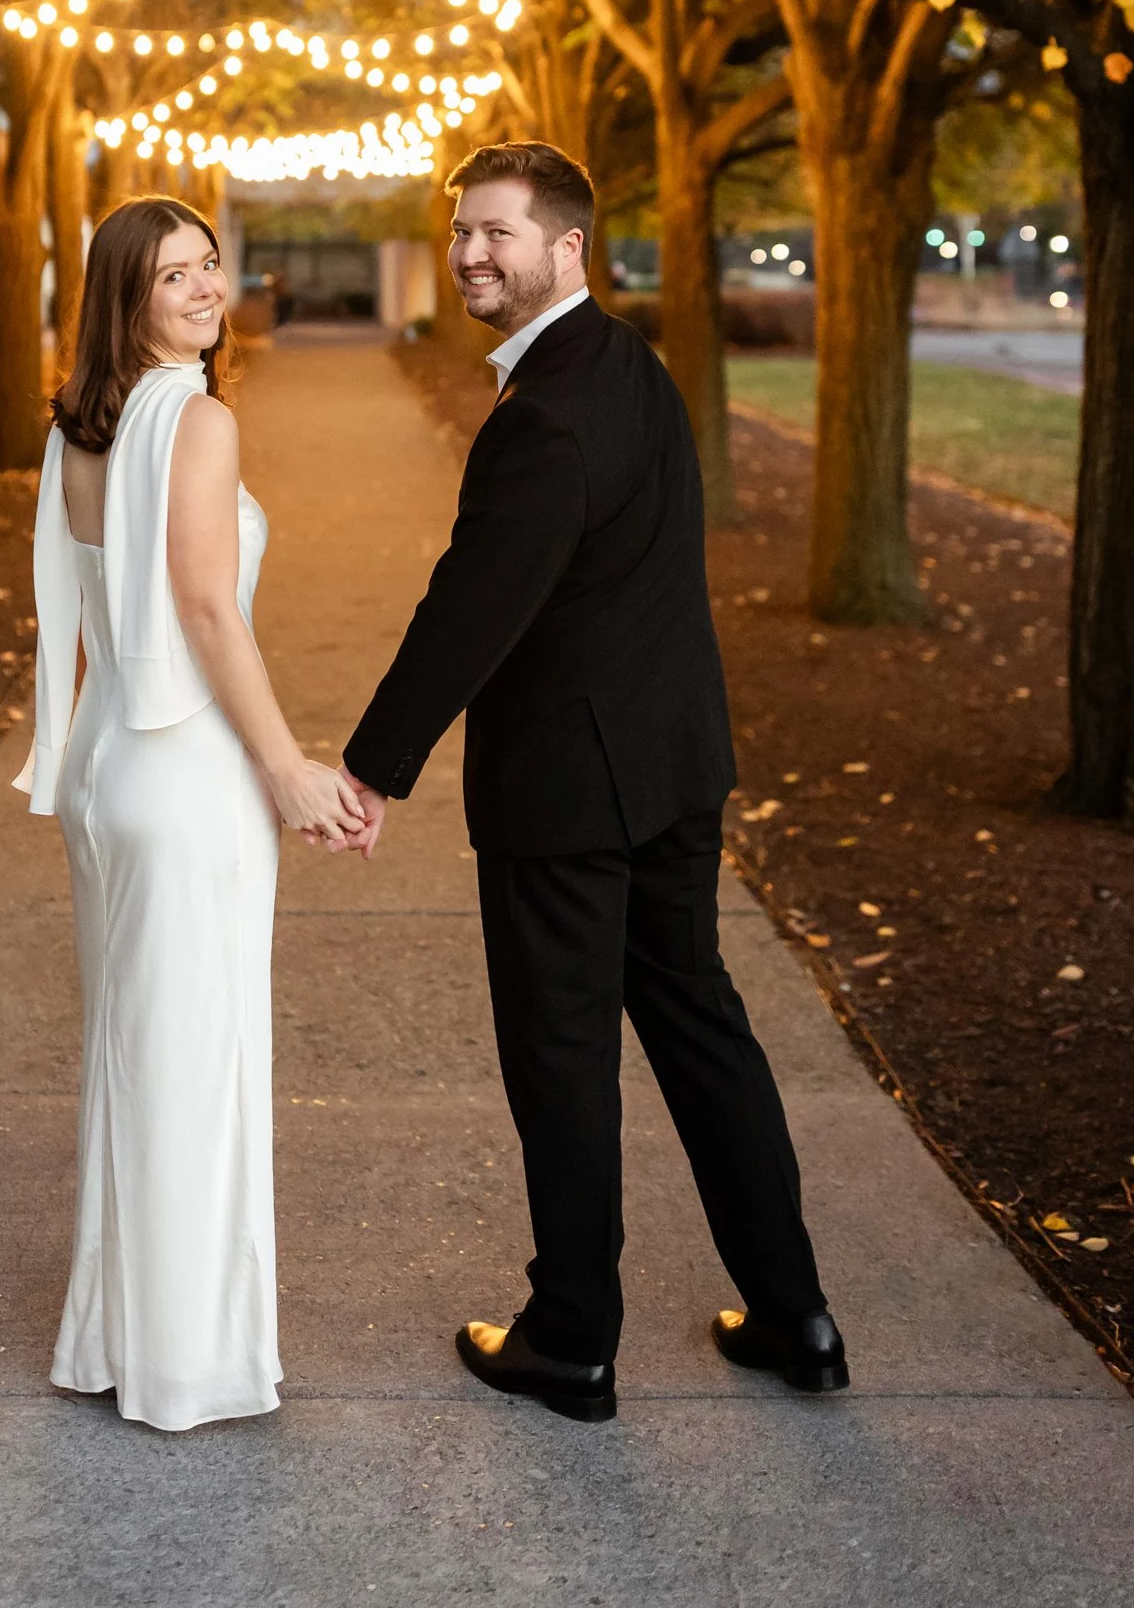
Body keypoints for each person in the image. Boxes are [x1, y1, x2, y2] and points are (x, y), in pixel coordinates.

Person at [331, 141, 845, 1424]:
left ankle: (568, 1340)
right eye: (461, 231)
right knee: (701, 1031)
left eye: (496, 233)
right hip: (671, 765)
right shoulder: (629, 365)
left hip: (568, 792)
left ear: (565, 246)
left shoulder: (543, 415)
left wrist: (371, 765)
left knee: (561, 1059)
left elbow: (471, 607)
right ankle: (795, 1314)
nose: (469, 254)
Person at [16, 195, 363, 1431]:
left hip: (106, 765)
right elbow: (208, 608)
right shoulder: (198, 420)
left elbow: (92, 611)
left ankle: (116, 1339)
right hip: (184, 772)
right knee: (194, 1063)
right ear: (128, 297)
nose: (207, 287)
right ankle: (187, 1364)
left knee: (133, 1052)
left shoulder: (79, 426)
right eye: (174, 275)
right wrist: (284, 766)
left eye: (209, 263)